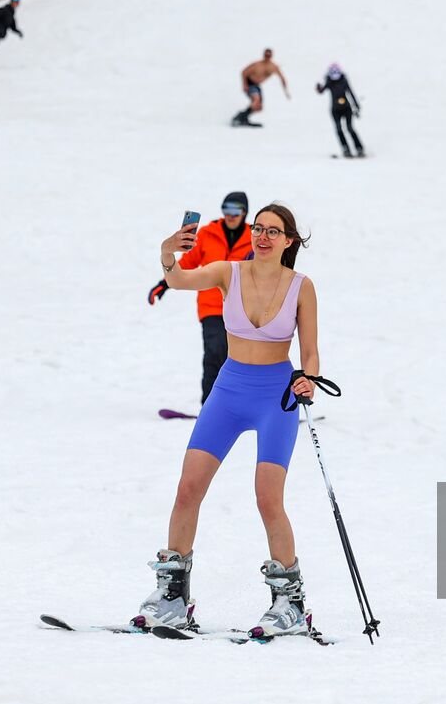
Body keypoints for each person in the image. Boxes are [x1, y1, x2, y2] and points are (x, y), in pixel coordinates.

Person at [141, 204, 321, 635]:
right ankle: (172, 599)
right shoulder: (229, 272)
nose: (262, 236)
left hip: (275, 395)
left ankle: (290, 604)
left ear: (288, 240)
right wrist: (169, 254)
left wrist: (308, 379)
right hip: (228, 391)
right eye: (258, 228)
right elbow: (178, 279)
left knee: (267, 498)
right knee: (188, 488)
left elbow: (310, 350)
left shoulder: (301, 287)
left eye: (272, 231)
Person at [148, 193, 254, 405]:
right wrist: (164, 284)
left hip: (242, 309)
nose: (230, 215)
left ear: (244, 212)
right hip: (211, 307)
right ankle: (210, 407)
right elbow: (188, 263)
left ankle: (243, 405)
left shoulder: (254, 236)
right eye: (226, 209)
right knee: (214, 354)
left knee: (240, 358)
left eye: (235, 210)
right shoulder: (207, 233)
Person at [232, 48, 290, 127]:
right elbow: (244, 72)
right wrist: (244, 84)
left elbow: (282, 79)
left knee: (259, 107)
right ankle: (239, 118)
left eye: (269, 55)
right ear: (263, 55)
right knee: (256, 100)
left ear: (271, 56)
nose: (267, 57)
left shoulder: (273, 67)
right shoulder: (257, 64)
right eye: (266, 55)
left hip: (257, 86)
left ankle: (244, 117)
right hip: (250, 83)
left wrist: (286, 91)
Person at [317, 63, 364, 158]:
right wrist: (319, 88)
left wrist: (356, 106)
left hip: (347, 109)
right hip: (335, 110)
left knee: (350, 128)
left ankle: (359, 148)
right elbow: (322, 90)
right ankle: (345, 148)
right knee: (339, 129)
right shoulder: (329, 81)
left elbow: (351, 93)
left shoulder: (344, 81)